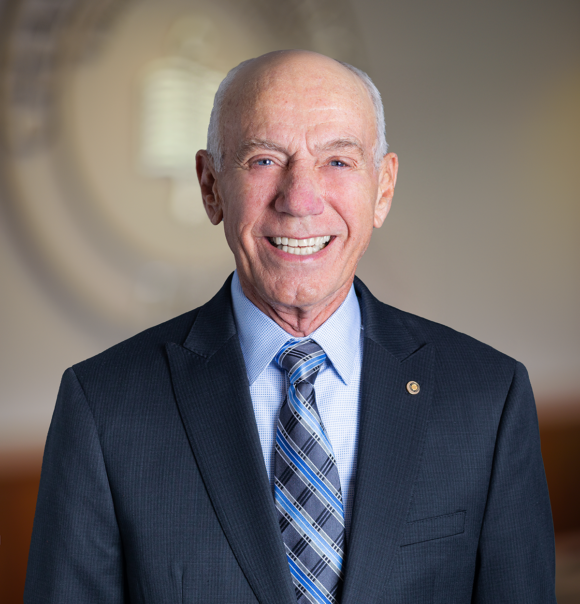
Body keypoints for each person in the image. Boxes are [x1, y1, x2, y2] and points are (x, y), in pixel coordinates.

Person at [25, 50, 556, 603]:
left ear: (383, 188)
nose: (300, 199)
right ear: (210, 186)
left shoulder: (488, 397)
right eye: (263, 160)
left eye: (338, 161)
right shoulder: (104, 406)